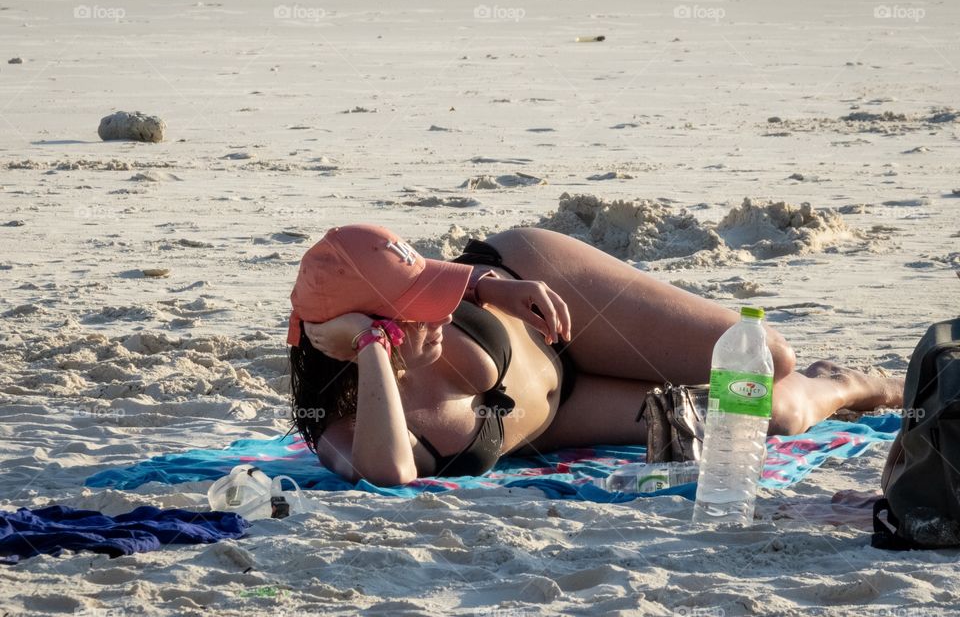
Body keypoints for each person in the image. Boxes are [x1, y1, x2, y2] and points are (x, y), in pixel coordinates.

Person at [288, 224, 904, 486]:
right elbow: (389, 474)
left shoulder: (447, 301)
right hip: (566, 414)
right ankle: (849, 383)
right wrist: (374, 349)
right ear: (358, 333)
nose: (441, 311)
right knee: (768, 414)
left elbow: (418, 279)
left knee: (766, 355)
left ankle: (850, 376)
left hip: (549, 289)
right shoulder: (341, 426)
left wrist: (487, 284)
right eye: (419, 306)